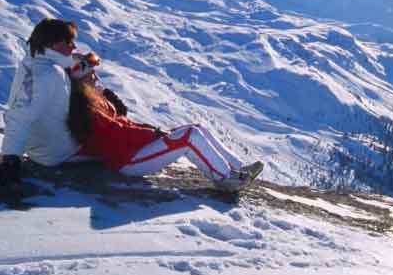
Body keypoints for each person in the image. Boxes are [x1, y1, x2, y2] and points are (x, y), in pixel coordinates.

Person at [66, 53, 264, 190]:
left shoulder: (94, 100)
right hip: (126, 161)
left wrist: (153, 131)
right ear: (80, 82)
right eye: (91, 76)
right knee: (189, 137)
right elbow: (117, 132)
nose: (96, 78)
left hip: (129, 151)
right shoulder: (85, 108)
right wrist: (153, 135)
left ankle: (238, 167)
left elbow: (123, 122)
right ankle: (225, 179)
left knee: (196, 128)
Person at [0, 18, 82, 169]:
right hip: (58, 152)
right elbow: (20, 118)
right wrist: (11, 159)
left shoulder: (33, 63)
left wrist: (76, 62)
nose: (74, 47)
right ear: (54, 44)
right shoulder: (46, 73)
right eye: (69, 42)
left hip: (45, 148)